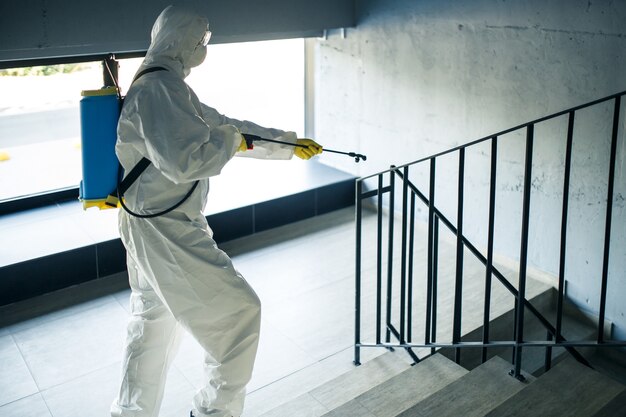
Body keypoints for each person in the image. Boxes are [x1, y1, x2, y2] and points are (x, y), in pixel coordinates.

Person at [110, 5, 322, 417]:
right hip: (164, 228)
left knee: (151, 326)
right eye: (199, 38)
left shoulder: (167, 86)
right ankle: (213, 412)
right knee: (239, 314)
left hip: (151, 223)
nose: (202, 48)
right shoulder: (158, 91)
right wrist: (230, 139)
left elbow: (226, 125)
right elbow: (189, 160)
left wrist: (289, 145)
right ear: (178, 39)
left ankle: (130, 412)